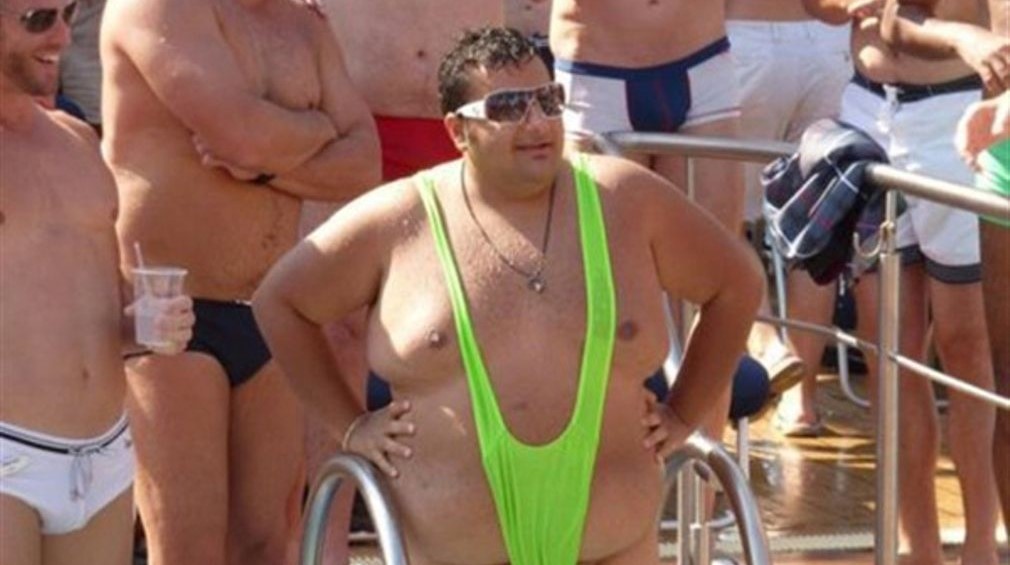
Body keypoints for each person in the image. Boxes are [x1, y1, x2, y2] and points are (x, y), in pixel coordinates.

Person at [253, 27, 764, 565]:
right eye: (509, 107)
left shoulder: (626, 200)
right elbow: (281, 303)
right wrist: (350, 424)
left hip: (613, 543)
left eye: (549, 101)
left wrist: (683, 414)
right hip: (455, 548)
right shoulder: (399, 219)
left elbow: (738, 284)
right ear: (458, 131)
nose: (537, 123)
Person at [100, 0, 381, 562]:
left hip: (266, 308)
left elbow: (363, 166)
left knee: (266, 544)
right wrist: (319, 127)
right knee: (188, 549)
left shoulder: (302, 24)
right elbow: (240, 136)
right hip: (171, 312)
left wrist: (264, 166)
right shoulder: (160, 8)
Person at [804, 0, 1000, 562]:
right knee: (887, 344)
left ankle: (982, 545)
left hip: (958, 113)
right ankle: (918, 546)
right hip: (867, 113)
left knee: (969, 347)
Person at [0, 0, 193, 563]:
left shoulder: (78, 141)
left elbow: (101, 302)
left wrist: (142, 327)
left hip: (104, 454)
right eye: (38, 19)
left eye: (68, 13)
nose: (62, 35)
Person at [882, 0, 1010, 540]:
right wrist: (964, 38)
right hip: (999, 147)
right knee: (1005, 389)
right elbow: (897, 19)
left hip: (986, 123)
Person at [727, 0, 854, 435]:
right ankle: (802, 403)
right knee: (815, 227)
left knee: (721, 216)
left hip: (744, 36)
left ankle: (766, 343)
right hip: (830, 43)